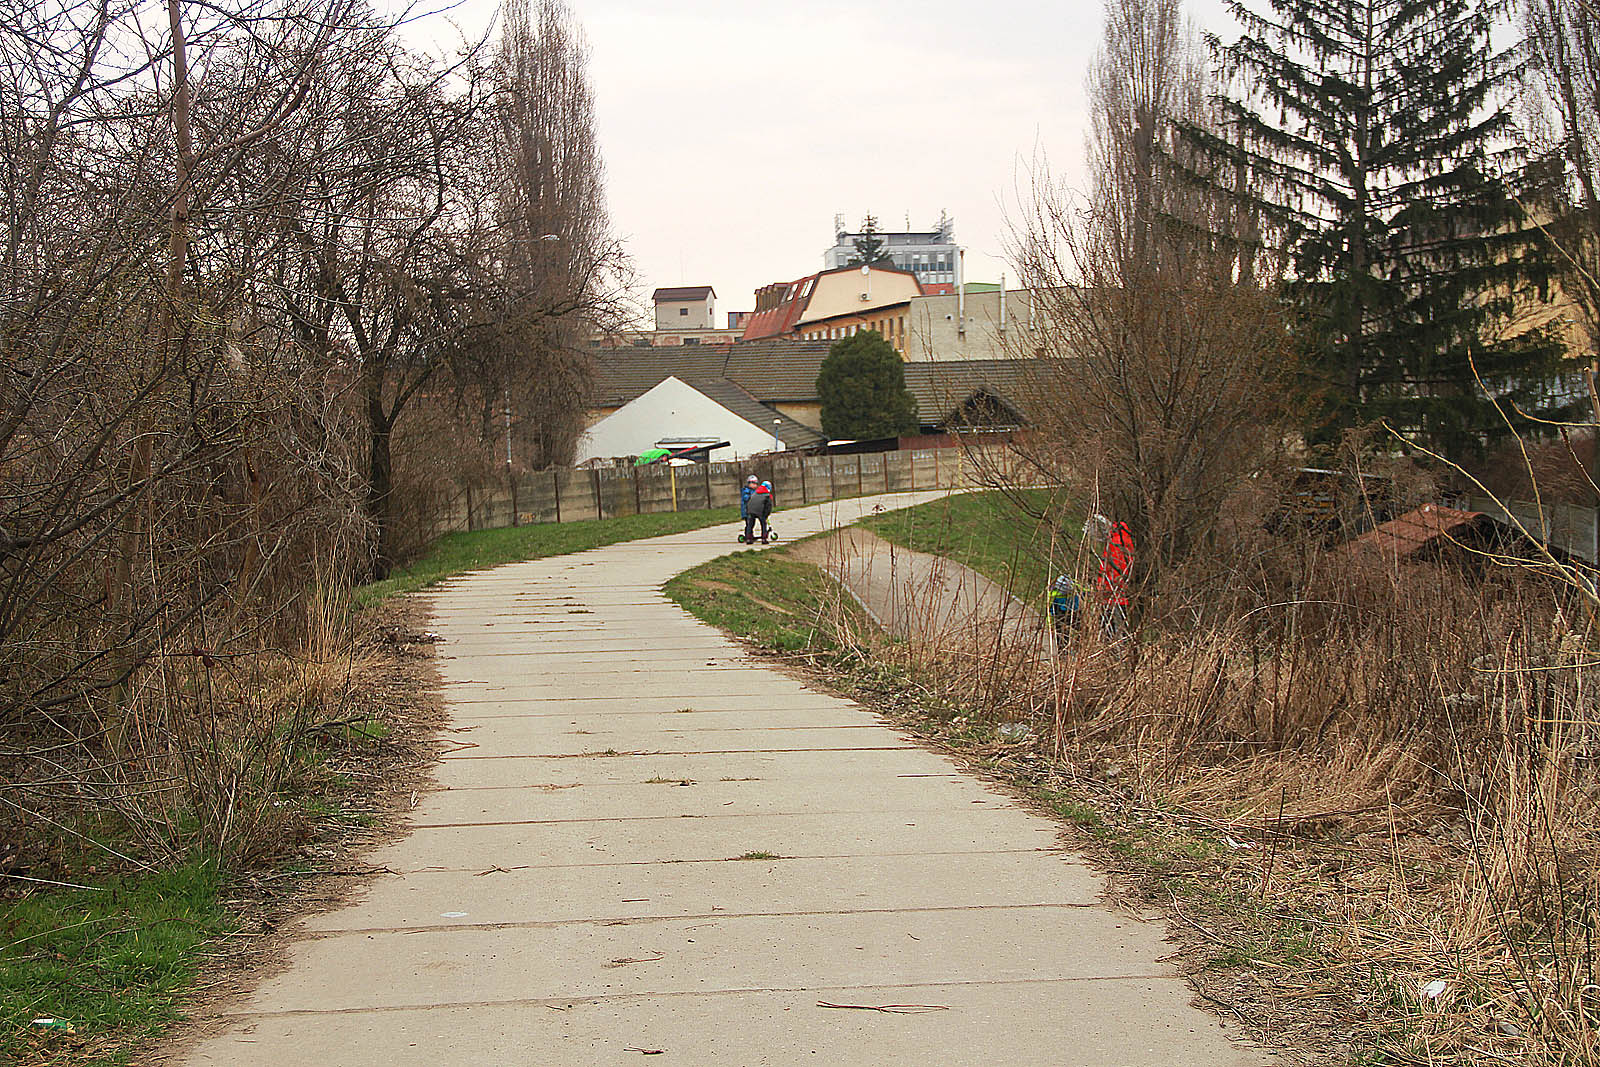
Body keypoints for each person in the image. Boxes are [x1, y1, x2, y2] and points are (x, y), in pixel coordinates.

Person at [1095, 521, 1132, 637]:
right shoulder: (1127, 542)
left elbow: (1109, 568)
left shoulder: (1114, 544)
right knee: (1124, 627)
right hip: (1122, 592)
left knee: (1108, 627)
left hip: (1112, 593)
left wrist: (1102, 587)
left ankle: (1111, 651)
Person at [740, 475, 761, 543]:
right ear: (749, 483)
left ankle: (750, 535)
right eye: (753, 483)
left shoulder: (755, 491)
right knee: (749, 524)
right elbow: (746, 498)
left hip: (753, 510)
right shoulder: (746, 490)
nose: (755, 485)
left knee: (752, 523)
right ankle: (748, 535)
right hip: (747, 511)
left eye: (756, 484)